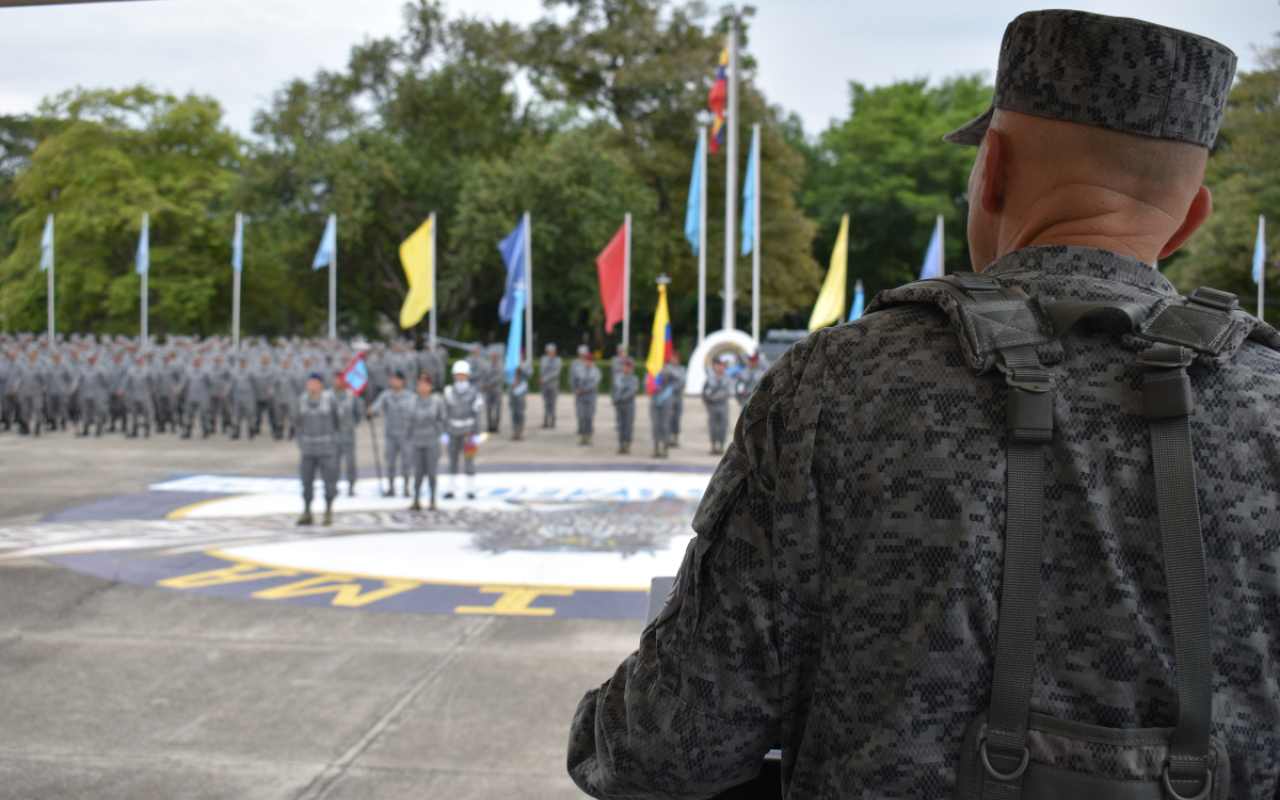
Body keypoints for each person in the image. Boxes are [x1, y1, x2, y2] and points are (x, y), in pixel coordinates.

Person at [568, 11, 1280, 799]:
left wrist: (596, 730)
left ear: (992, 169)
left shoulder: (839, 387)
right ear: (1191, 218)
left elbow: (670, 748)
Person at [296, 373, 340, 526]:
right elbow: (298, 423)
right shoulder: (302, 400)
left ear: (321, 384)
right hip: (308, 448)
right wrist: (301, 442)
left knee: (329, 480)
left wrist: (335, 441)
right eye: (309, 383)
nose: (311, 386)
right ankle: (307, 511)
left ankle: (328, 511)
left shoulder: (329, 400)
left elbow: (339, 422)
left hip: (327, 448)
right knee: (306, 481)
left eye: (314, 383)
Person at [366, 370, 413, 497]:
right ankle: (391, 487)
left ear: (402, 381)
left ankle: (406, 487)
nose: (394, 382)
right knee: (390, 461)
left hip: (405, 434)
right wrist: (371, 411)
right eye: (392, 379)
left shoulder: (410, 396)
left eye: (396, 379)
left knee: (406, 462)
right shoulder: (386, 395)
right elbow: (376, 407)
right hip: (391, 434)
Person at [443, 360, 484, 500]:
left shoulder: (474, 392)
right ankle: (451, 489)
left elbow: (478, 413)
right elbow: (445, 412)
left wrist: (477, 433)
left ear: (468, 375)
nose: (460, 377)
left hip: (468, 431)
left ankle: (471, 490)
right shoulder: (449, 391)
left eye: (463, 374)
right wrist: (444, 431)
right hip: (453, 430)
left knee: (469, 461)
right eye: (457, 374)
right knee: (452, 460)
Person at [406, 373, 446, 510]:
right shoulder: (412, 401)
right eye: (420, 384)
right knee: (417, 471)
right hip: (417, 439)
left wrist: (443, 435)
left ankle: (433, 499)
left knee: (431, 472)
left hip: (432, 439)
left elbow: (442, 419)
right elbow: (409, 421)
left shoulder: (436, 401)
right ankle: (416, 498)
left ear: (431, 386)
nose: (422, 387)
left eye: (425, 384)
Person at [332, 373, 364, 496]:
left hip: (348, 433)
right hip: (334, 434)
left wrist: (352, 424)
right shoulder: (329, 396)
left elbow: (358, 412)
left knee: (350, 461)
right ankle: (333, 485)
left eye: (339, 379)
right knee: (333, 462)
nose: (337, 382)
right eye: (335, 380)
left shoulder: (351, 396)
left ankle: (351, 485)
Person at [569, 345, 602, 445]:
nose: (587, 362)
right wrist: (574, 389)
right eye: (586, 360)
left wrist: (582, 390)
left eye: (590, 361)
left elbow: (594, 384)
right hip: (580, 397)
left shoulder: (596, 371)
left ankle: (589, 435)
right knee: (581, 416)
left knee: (589, 416)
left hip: (590, 397)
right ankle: (583, 436)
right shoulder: (579, 369)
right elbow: (573, 379)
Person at [701, 355, 733, 454]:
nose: (719, 367)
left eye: (722, 365)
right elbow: (704, 390)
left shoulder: (727, 379)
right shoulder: (710, 378)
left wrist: (714, 397)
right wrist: (705, 401)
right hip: (712, 406)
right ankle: (714, 446)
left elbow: (726, 392)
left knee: (723, 426)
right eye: (718, 365)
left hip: (723, 405)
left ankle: (721, 445)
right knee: (713, 426)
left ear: (724, 367)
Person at [610, 357, 638, 455]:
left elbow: (631, 391)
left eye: (628, 367)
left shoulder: (634, 379)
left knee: (628, 425)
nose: (626, 368)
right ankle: (621, 443)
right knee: (620, 425)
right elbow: (613, 389)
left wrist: (620, 398)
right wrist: (613, 398)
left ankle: (627, 444)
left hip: (628, 404)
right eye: (624, 366)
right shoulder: (618, 377)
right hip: (619, 405)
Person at [508, 349, 534, 440]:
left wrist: (521, 367)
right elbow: (506, 374)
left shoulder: (526, 364)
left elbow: (530, 374)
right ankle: (514, 430)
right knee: (513, 411)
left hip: (521, 389)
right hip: (512, 389)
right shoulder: (511, 363)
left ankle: (520, 430)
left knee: (520, 411)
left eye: (520, 354)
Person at [664, 349, 685, 447]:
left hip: (677, 396)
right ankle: (667, 438)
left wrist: (671, 387)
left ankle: (675, 438)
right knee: (668, 417)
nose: (674, 359)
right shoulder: (666, 368)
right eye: (673, 357)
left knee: (676, 418)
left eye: (676, 358)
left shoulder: (681, 369)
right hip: (668, 397)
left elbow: (682, 381)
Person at [539, 343, 561, 428]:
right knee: (546, 403)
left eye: (552, 351)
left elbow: (555, 373)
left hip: (553, 385)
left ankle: (552, 420)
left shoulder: (558, 360)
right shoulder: (543, 359)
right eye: (548, 351)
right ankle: (545, 420)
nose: (550, 353)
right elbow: (541, 370)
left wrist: (545, 378)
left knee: (552, 403)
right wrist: (542, 379)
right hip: (544, 385)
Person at [483, 346, 504, 433]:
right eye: (492, 355)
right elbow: (484, 375)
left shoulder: (500, 364)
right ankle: (489, 424)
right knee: (488, 408)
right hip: (488, 391)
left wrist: (489, 383)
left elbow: (499, 377)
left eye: (494, 355)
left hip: (497, 390)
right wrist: (484, 384)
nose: (493, 356)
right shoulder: (487, 364)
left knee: (498, 408)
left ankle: (496, 425)